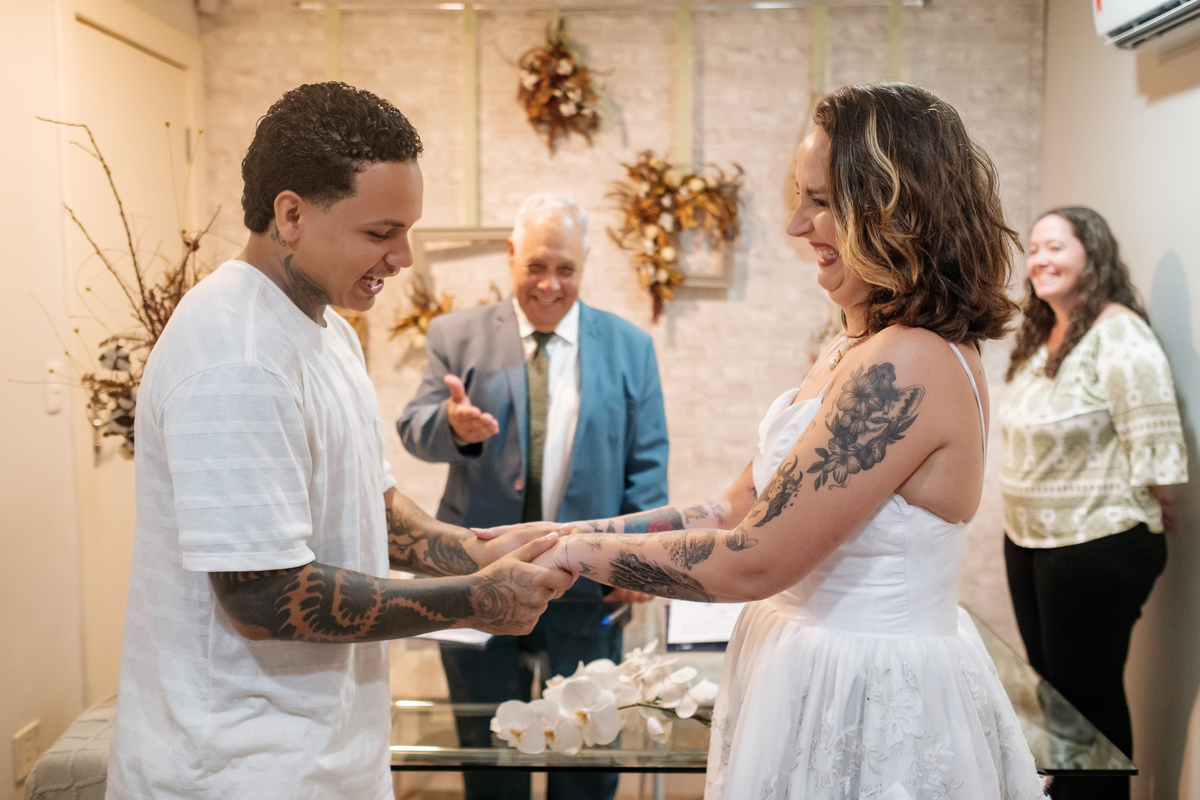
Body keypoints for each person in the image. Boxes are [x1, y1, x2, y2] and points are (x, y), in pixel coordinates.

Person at [524, 83, 1048, 799]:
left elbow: (755, 558)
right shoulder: (853, 345)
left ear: (895, 209)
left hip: (866, 695)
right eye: (802, 197)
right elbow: (735, 506)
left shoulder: (910, 361)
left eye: (822, 201)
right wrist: (564, 532)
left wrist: (575, 555)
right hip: (810, 668)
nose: (798, 224)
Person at [105, 82, 573, 800]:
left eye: (407, 231)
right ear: (291, 215)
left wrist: (474, 550)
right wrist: (472, 600)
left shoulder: (328, 335)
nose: (403, 257)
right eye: (381, 233)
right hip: (239, 768)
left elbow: (371, 507)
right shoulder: (235, 354)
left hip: (329, 754)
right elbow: (262, 597)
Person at [397, 192, 669, 800]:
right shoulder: (455, 334)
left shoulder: (630, 346)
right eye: (536, 267)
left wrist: (640, 558)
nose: (549, 285)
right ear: (511, 255)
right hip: (478, 581)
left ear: (585, 263)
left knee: (588, 755)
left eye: (565, 269)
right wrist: (452, 427)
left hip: (589, 586)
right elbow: (413, 428)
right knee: (490, 750)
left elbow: (647, 462)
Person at [1000, 207, 1187, 800]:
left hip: (1094, 541)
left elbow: (1152, 429)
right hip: (1030, 537)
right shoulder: (1044, 337)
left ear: (1094, 253)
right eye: (1034, 249)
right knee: (1054, 697)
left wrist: (1157, 498)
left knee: (1087, 705)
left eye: (1056, 246)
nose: (1040, 259)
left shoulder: (1118, 332)